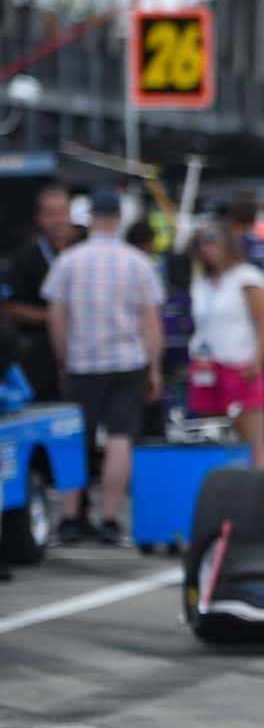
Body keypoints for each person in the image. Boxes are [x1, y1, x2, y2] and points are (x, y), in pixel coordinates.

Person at [42, 191, 166, 543]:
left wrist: (63, 358)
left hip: (83, 362)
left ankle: (70, 516)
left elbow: (57, 316)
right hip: (128, 362)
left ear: (91, 216)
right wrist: (154, 367)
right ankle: (110, 518)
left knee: (74, 439)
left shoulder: (69, 261)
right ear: (119, 218)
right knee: (120, 438)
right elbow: (150, 321)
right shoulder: (137, 262)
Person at [186, 220, 264, 469]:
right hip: (206, 367)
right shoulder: (202, 282)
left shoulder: (247, 277)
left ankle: (263, 497)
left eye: (213, 242)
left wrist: (258, 360)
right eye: (203, 244)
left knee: (254, 441)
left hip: (240, 364)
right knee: (212, 439)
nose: (208, 249)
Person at [4, 182, 76, 404]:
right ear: (39, 219)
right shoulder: (25, 260)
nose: (58, 220)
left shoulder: (84, 252)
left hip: (85, 352)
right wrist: (55, 318)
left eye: (62, 213)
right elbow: (11, 309)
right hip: (42, 356)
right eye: (50, 214)